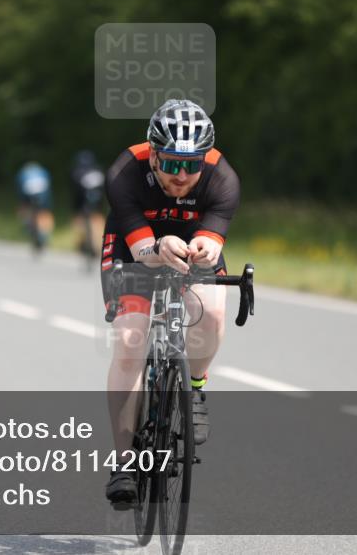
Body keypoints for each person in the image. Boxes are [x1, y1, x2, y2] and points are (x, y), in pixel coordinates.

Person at [101, 99, 240, 505]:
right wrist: (158, 245)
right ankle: (125, 461)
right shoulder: (125, 172)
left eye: (191, 165)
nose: (182, 176)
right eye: (172, 165)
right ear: (154, 156)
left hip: (191, 245)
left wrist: (203, 249)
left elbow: (212, 242)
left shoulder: (222, 177)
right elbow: (142, 249)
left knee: (211, 312)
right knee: (129, 340)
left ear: (205, 160)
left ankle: (195, 388)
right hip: (136, 247)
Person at [70, 150, 105, 257]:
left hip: (83, 200)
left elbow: (76, 192)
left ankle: (82, 243)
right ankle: (99, 245)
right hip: (99, 200)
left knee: (80, 220)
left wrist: (74, 208)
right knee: (98, 220)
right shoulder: (99, 171)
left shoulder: (77, 172)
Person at [16, 161, 54, 252]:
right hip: (43, 196)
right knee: (45, 213)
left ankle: (30, 227)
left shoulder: (22, 174)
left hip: (28, 196)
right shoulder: (43, 172)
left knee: (25, 211)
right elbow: (48, 187)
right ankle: (44, 233)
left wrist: (22, 203)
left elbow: (19, 190)